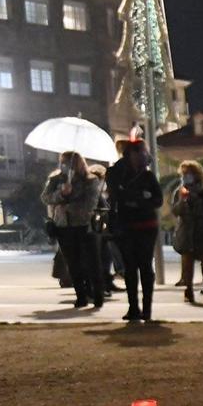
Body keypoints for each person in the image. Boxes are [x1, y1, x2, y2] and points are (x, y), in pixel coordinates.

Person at [104, 137, 164, 323]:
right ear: (128, 154)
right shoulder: (118, 173)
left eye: (143, 153)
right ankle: (133, 307)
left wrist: (138, 199)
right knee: (130, 268)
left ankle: (147, 309)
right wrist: (139, 197)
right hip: (126, 226)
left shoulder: (147, 176)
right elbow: (117, 194)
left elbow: (157, 199)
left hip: (146, 226)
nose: (141, 156)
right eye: (137, 152)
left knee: (145, 266)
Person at [41, 150, 103, 310]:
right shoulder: (55, 179)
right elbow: (46, 197)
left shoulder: (90, 180)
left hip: (84, 225)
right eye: (63, 162)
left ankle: (97, 295)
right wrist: (61, 193)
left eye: (69, 162)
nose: (65, 166)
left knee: (91, 262)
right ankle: (80, 296)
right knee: (73, 263)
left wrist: (69, 201)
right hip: (63, 226)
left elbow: (90, 203)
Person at [170, 160, 203, 303]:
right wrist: (183, 201)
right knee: (187, 264)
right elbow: (175, 211)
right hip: (186, 232)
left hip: (202, 231)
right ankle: (189, 289)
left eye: (189, 173)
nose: (186, 177)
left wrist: (196, 199)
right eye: (184, 174)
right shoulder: (179, 191)